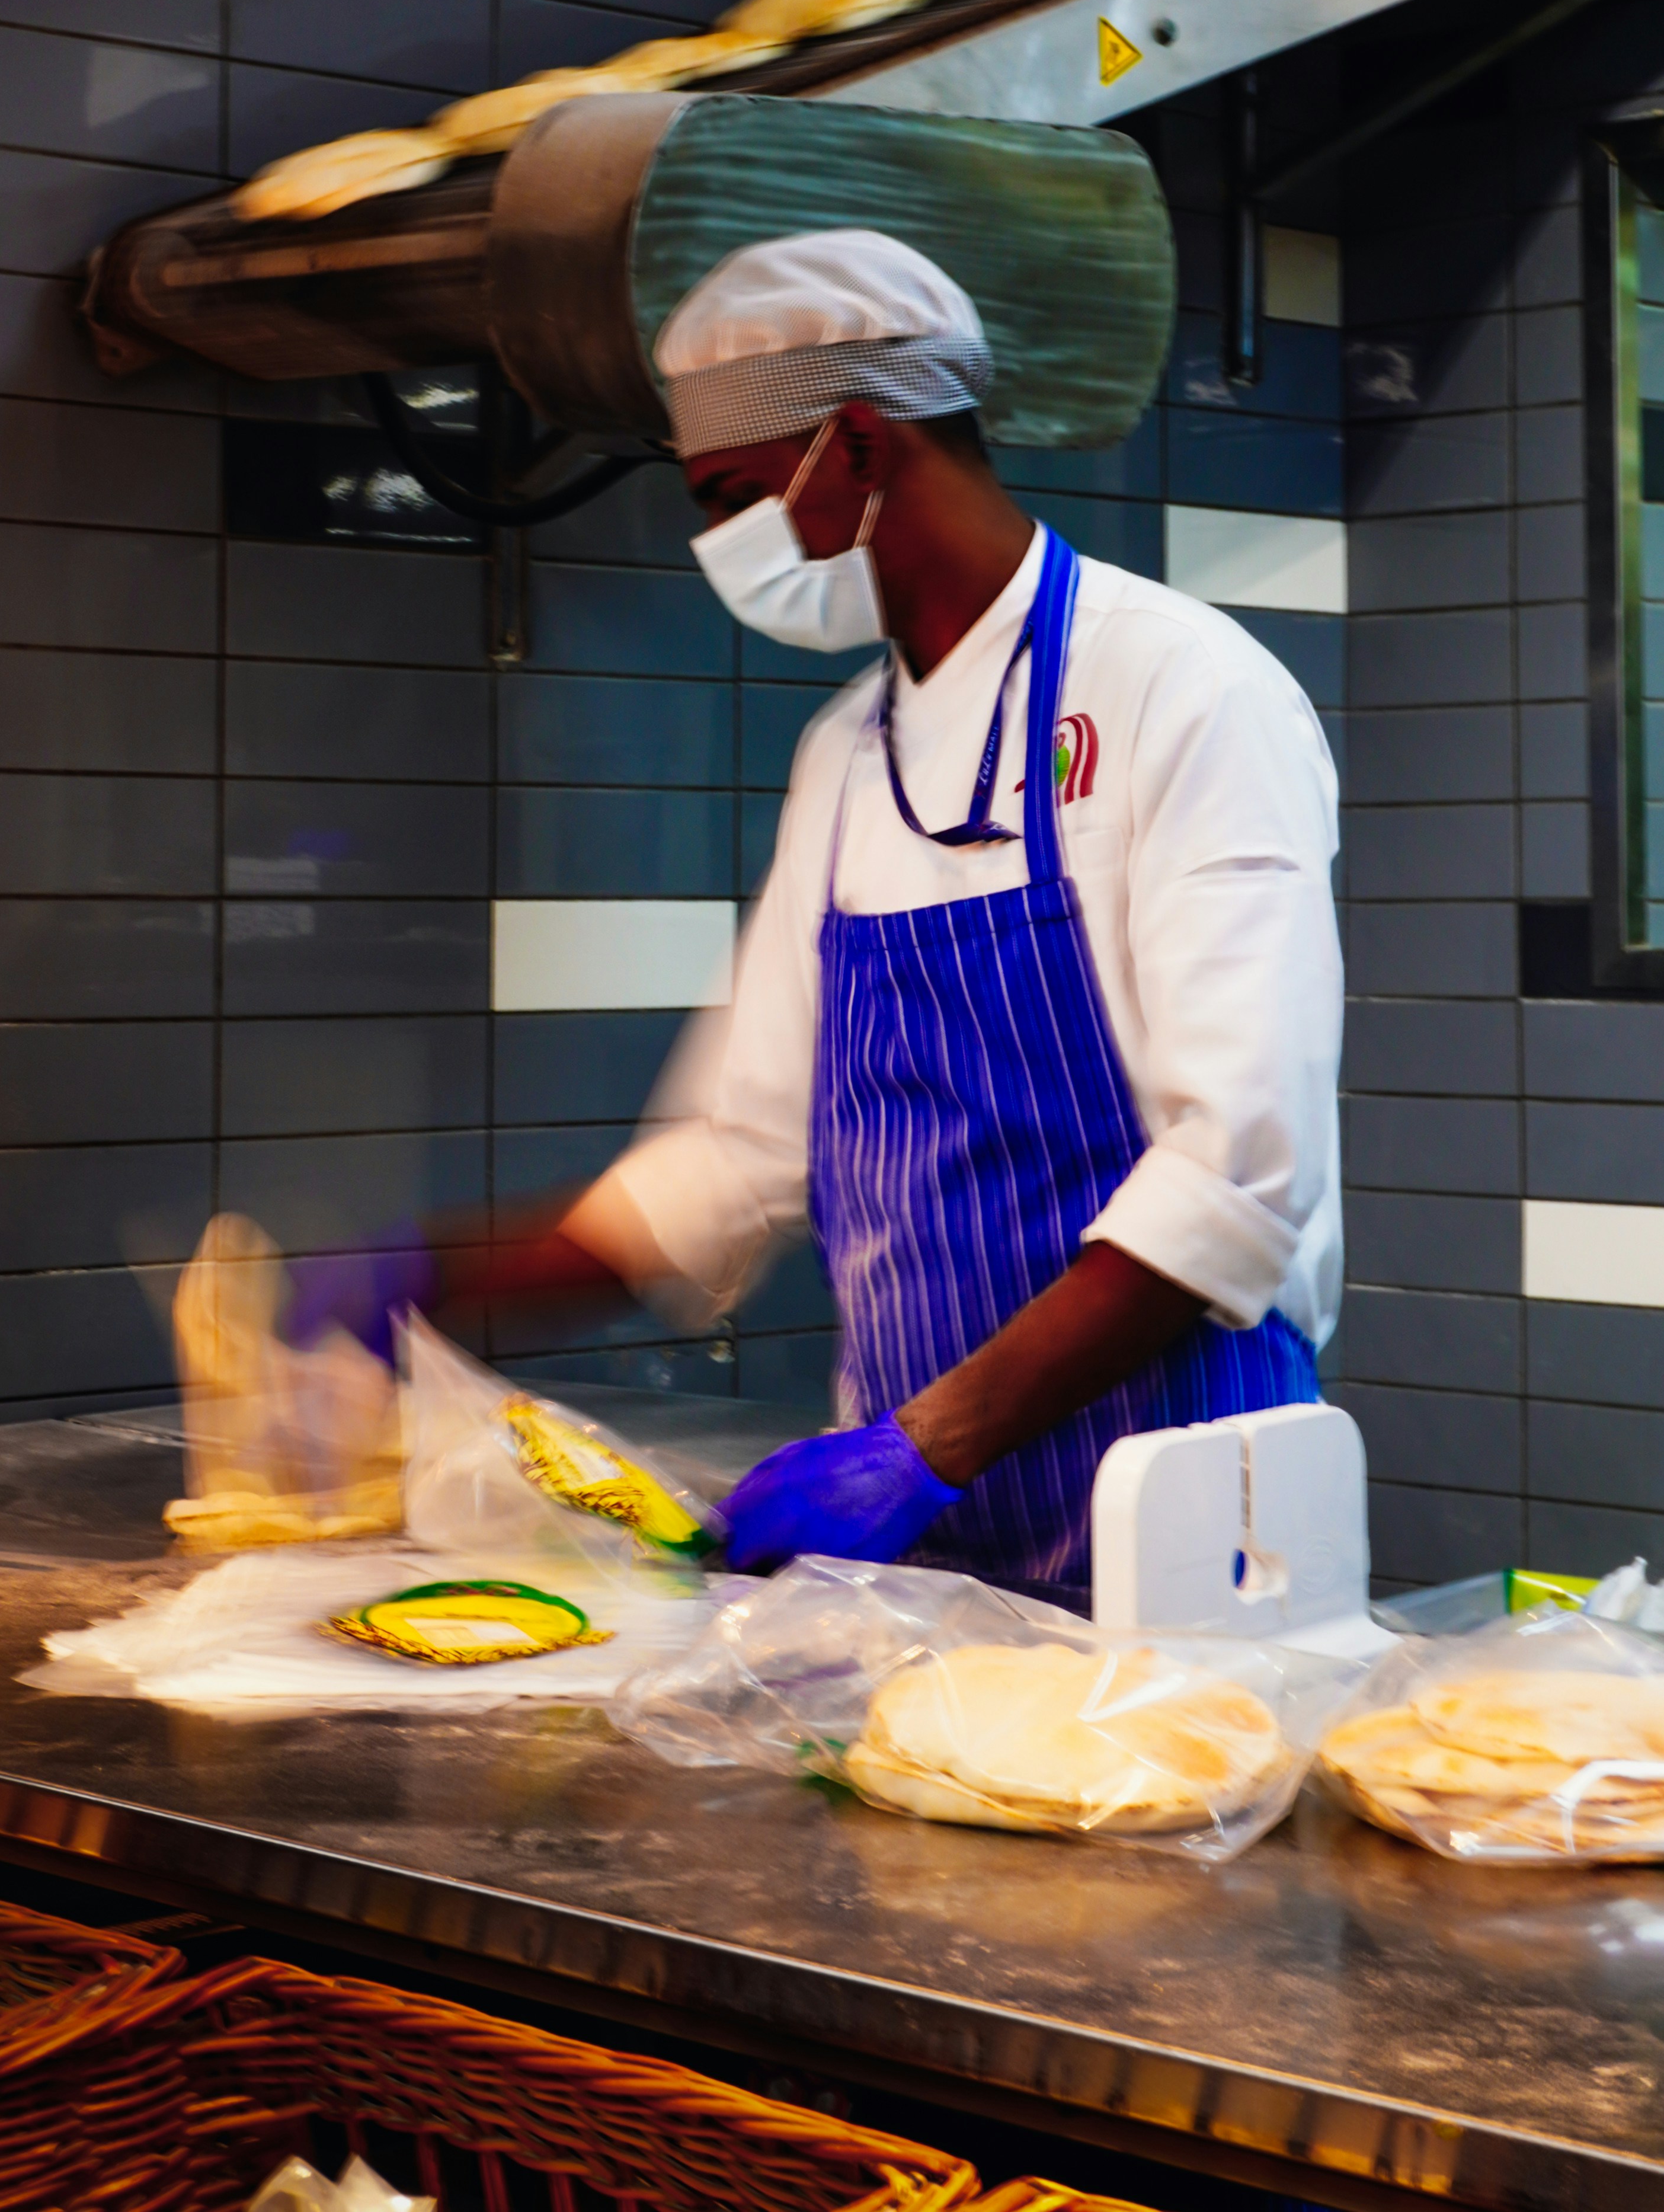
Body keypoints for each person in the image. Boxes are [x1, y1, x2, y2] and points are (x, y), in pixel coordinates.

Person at [293, 229, 1343, 1597]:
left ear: (855, 444)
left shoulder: (1186, 691)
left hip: (1194, 1523)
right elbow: (741, 1154)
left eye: (730, 494)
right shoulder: (849, 754)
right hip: (925, 1541)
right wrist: (430, 1271)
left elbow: (1236, 1177)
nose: (718, 545)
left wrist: (922, 1446)